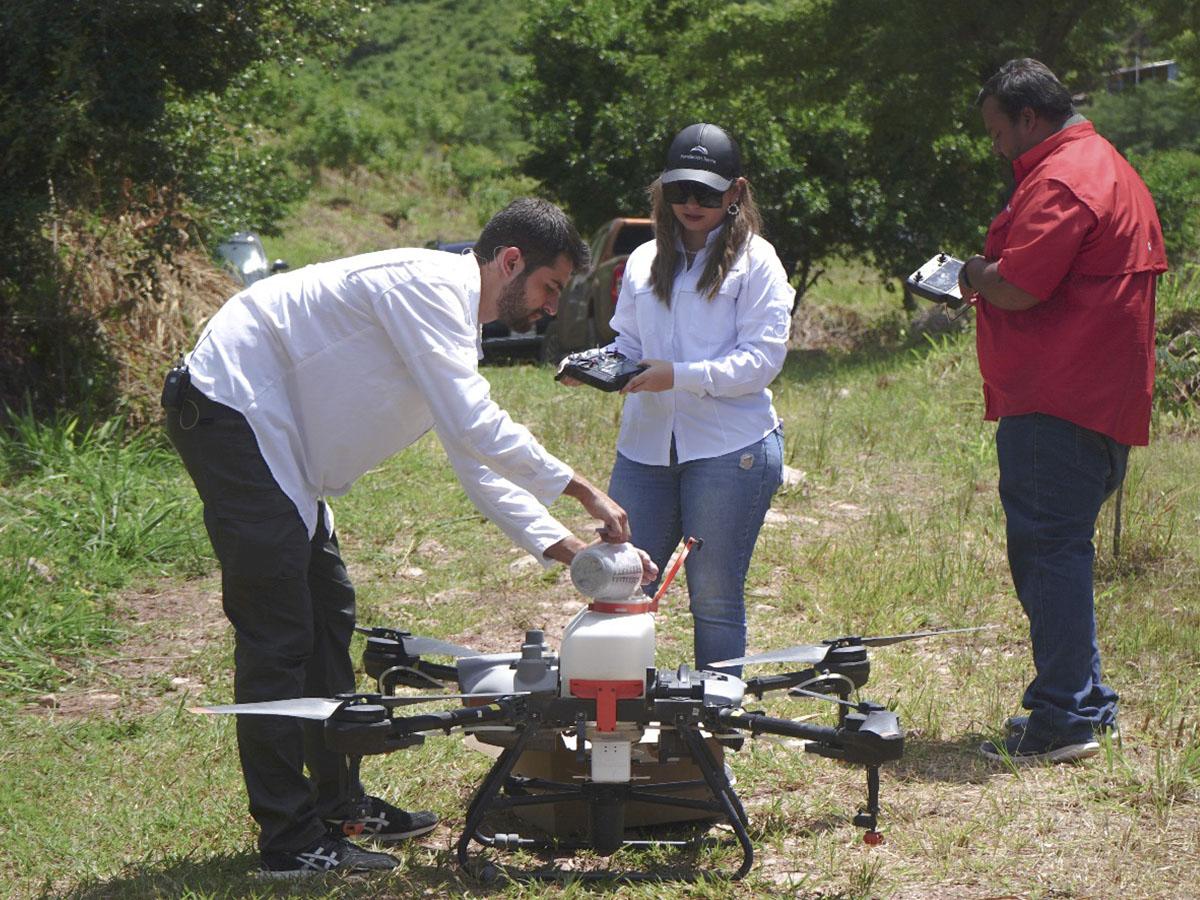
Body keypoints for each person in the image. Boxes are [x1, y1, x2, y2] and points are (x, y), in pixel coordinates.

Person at [164, 198, 655, 877]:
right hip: (232, 411)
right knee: (278, 639)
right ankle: (288, 840)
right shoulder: (428, 288)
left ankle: (339, 807)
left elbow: (474, 460)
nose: (550, 308)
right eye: (548, 287)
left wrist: (569, 549)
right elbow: (476, 424)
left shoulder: (451, 326)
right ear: (511, 261)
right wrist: (582, 489)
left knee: (329, 617)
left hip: (283, 451)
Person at [958, 59, 1167, 765]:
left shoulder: (1062, 179)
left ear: (1029, 118)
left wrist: (972, 273)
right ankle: (1087, 703)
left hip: (1058, 400)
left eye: (998, 132)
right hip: (1097, 398)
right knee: (1062, 552)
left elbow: (1017, 287)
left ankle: (1063, 719)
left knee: (1049, 555)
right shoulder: (1108, 165)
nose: (996, 148)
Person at [563, 123, 793, 674]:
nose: (692, 204)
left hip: (730, 449)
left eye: (707, 194)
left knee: (713, 599)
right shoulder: (643, 259)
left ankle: (716, 721)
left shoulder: (757, 261)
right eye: (680, 190)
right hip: (644, 450)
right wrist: (592, 367)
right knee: (618, 582)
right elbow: (627, 343)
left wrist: (679, 376)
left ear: (736, 192)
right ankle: (617, 711)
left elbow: (762, 362)